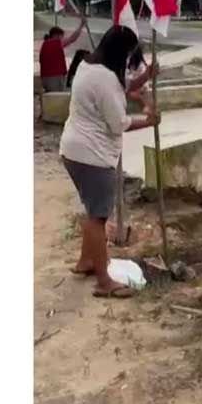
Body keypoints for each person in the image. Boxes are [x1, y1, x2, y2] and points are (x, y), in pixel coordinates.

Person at [60, 25, 159, 298]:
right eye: (129, 55)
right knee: (98, 217)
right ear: (120, 52)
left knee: (92, 210)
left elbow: (121, 87)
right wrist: (148, 121)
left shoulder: (88, 65)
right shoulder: (105, 79)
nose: (129, 61)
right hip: (92, 155)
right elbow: (118, 124)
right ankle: (104, 281)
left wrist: (145, 77)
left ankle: (86, 262)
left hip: (75, 150)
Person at [39, 20, 87, 92]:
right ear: (56, 35)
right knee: (56, 97)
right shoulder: (55, 43)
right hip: (54, 79)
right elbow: (72, 38)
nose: (62, 39)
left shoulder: (45, 44)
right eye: (62, 37)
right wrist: (81, 25)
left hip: (46, 78)